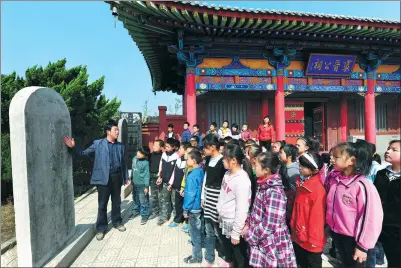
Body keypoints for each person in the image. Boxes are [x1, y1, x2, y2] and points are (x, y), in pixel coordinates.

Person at [63, 119, 128, 241]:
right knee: (102, 204)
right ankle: (101, 228)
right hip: (103, 179)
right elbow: (83, 154)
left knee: (117, 202)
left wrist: (125, 178)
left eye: (118, 130)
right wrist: (73, 147)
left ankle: (117, 222)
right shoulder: (98, 144)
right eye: (115, 130)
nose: (117, 132)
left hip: (116, 178)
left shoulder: (120, 146)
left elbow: (124, 163)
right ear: (108, 132)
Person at [325, 142, 383, 267]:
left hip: (355, 239)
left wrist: (362, 246)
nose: (332, 159)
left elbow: (371, 218)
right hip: (338, 234)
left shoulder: (362, 185)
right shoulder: (334, 179)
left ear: (352, 160)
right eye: (332, 156)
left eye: (336, 157)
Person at [243, 152, 296, 267]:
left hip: (271, 241)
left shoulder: (274, 191)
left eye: (256, 165)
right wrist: (248, 223)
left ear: (266, 170)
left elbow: (270, 224)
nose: (253, 167)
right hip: (261, 237)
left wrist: (251, 235)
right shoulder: (263, 185)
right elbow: (256, 210)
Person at [216, 143, 252, 268]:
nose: (222, 160)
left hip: (235, 224)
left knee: (240, 255)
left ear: (234, 160)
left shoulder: (242, 180)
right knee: (231, 251)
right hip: (226, 220)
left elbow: (242, 209)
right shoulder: (227, 174)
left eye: (225, 158)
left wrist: (236, 232)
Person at [291, 152, 326, 268]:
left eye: (304, 166)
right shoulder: (302, 183)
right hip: (298, 235)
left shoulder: (317, 190)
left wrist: (313, 240)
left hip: (310, 240)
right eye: (300, 164)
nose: (300, 167)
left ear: (315, 170)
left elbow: (317, 219)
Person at [201, 135, 227, 267]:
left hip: (218, 199)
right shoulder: (208, 160)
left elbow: (225, 184)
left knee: (220, 231)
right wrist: (203, 197)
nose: (203, 151)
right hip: (208, 197)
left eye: (205, 148)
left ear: (212, 147)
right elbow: (206, 178)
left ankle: (224, 256)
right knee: (209, 230)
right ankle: (210, 258)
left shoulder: (223, 162)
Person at [374, 140, 401, 268]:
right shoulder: (381, 174)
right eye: (388, 148)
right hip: (384, 228)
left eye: (394, 150)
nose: (387, 151)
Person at [182, 150, 205, 264]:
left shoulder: (192, 175)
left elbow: (190, 194)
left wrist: (186, 209)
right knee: (198, 231)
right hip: (199, 206)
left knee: (194, 233)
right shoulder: (201, 171)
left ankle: (197, 257)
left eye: (188, 159)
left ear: (194, 161)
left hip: (193, 208)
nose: (186, 160)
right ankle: (197, 253)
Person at [156, 138, 180, 226]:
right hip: (164, 181)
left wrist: (171, 182)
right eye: (165, 146)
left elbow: (175, 171)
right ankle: (164, 217)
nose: (166, 148)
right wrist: (160, 176)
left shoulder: (176, 156)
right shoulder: (163, 154)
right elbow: (160, 166)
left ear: (173, 147)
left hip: (173, 183)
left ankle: (175, 218)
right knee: (164, 199)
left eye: (168, 147)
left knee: (173, 201)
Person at [167, 142, 189, 228]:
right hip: (176, 186)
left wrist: (184, 187)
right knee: (177, 204)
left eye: (180, 149)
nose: (178, 150)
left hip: (184, 188)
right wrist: (170, 183)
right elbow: (174, 173)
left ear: (186, 151)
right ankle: (177, 220)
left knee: (186, 205)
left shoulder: (188, 162)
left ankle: (187, 221)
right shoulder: (178, 159)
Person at [278, 144, 299, 227]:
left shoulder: (293, 171)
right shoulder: (283, 167)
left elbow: (294, 191)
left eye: (281, 153)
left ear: (289, 156)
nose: (279, 154)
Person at [180, 146, 199, 233]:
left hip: (193, 205)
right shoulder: (195, 169)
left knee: (195, 228)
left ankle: (196, 244)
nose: (186, 155)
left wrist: (185, 209)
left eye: (188, 153)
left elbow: (191, 193)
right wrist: (183, 187)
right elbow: (185, 178)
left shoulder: (194, 173)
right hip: (196, 202)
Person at [130, 146, 151, 225]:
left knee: (143, 201)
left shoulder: (145, 163)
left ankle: (144, 215)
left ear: (145, 155)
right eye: (139, 152)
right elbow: (133, 170)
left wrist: (146, 186)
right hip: (135, 183)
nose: (139, 154)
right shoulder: (134, 159)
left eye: (142, 153)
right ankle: (135, 212)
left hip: (142, 185)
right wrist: (131, 179)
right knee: (135, 199)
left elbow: (146, 175)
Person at [148, 140, 164, 220]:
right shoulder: (150, 155)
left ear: (161, 147)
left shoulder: (163, 156)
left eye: (156, 145)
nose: (154, 146)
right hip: (152, 177)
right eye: (153, 145)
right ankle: (155, 212)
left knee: (161, 195)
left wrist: (161, 176)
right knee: (154, 196)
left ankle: (162, 212)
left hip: (160, 178)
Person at [245, 144, 263, 211]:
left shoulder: (258, 173)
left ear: (254, 159)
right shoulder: (245, 167)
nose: (245, 156)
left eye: (248, 154)